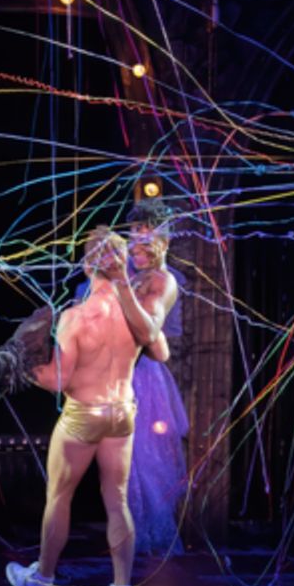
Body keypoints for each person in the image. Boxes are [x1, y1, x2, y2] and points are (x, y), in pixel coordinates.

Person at [1, 226, 168, 586]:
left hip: (83, 416)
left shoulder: (75, 317)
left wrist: (20, 367)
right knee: (118, 500)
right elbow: (159, 349)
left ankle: (42, 579)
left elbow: (61, 381)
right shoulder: (136, 317)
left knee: (59, 497)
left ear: (86, 264)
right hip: (123, 412)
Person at [122, 198, 188, 555]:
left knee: (145, 462)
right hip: (115, 374)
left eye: (146, 238)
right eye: (134, 237)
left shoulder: (165, 282)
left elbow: (155, 340)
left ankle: (142, 539)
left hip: (144, 379)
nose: (137, 246)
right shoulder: (121, 275)